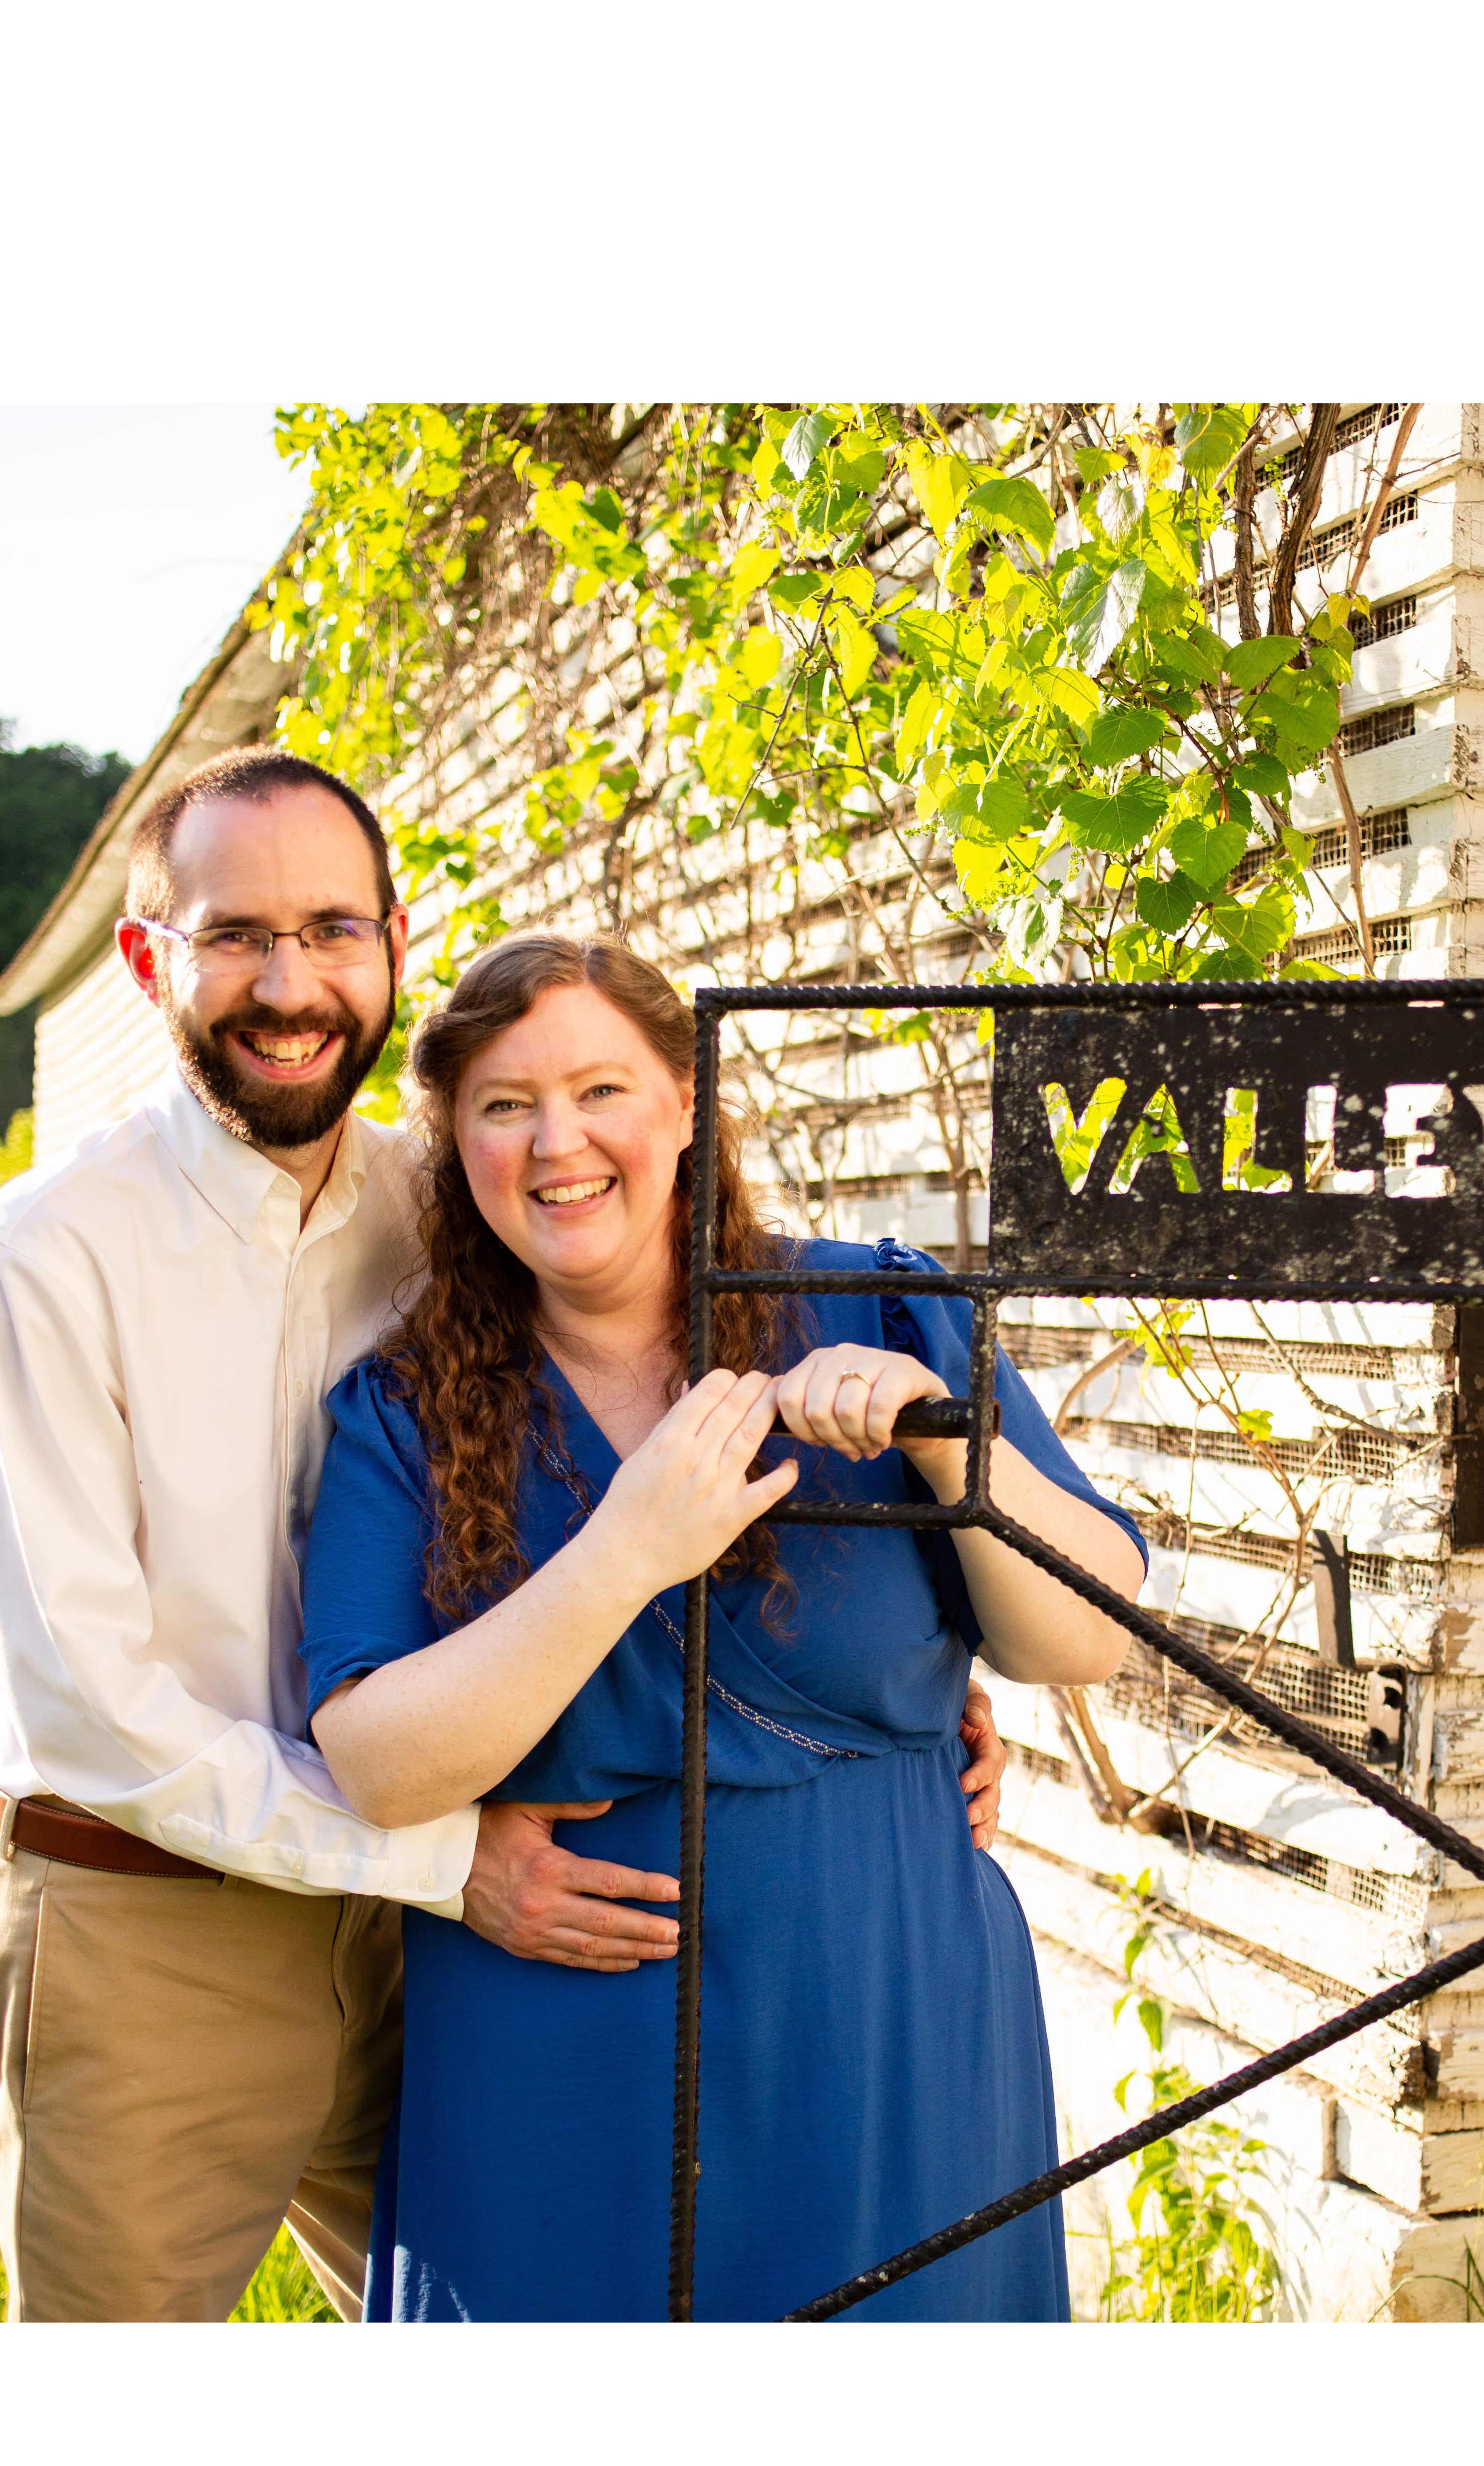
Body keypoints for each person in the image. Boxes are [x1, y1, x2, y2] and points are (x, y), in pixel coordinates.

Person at [0, 747, 1013, 2320]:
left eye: (332, 930)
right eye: (236, 936)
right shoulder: (50, 1253)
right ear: (150, 960)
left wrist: (899, 1685)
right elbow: (89, 1712)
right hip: (162, 1931)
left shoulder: (444, 1200)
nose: (290, 985)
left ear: (391, 945)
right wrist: (444, 1860)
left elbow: (579, 1455)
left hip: (432, 1940)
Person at [300, 934, 1147, 2322]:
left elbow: (1084, 1640)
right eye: (506, 1105)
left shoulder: (878, 1309)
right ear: (454, 1143)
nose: (559, 1143)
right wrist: (625, 1552)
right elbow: (382, 1767)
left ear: (686, 1102)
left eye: (601, 1090)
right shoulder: (404, 1411)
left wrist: (946, 1443)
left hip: (885, 2023)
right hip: (560, 2059)